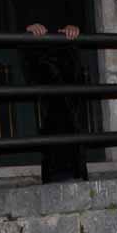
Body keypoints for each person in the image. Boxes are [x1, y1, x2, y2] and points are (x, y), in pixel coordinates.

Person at [24, 22, 88, 183]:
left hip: (66, 42)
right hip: (36, 44)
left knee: (70, 109)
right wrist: (26, 29)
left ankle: (72, 173)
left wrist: (76, 27)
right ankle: (61, 175)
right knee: (53, 110)